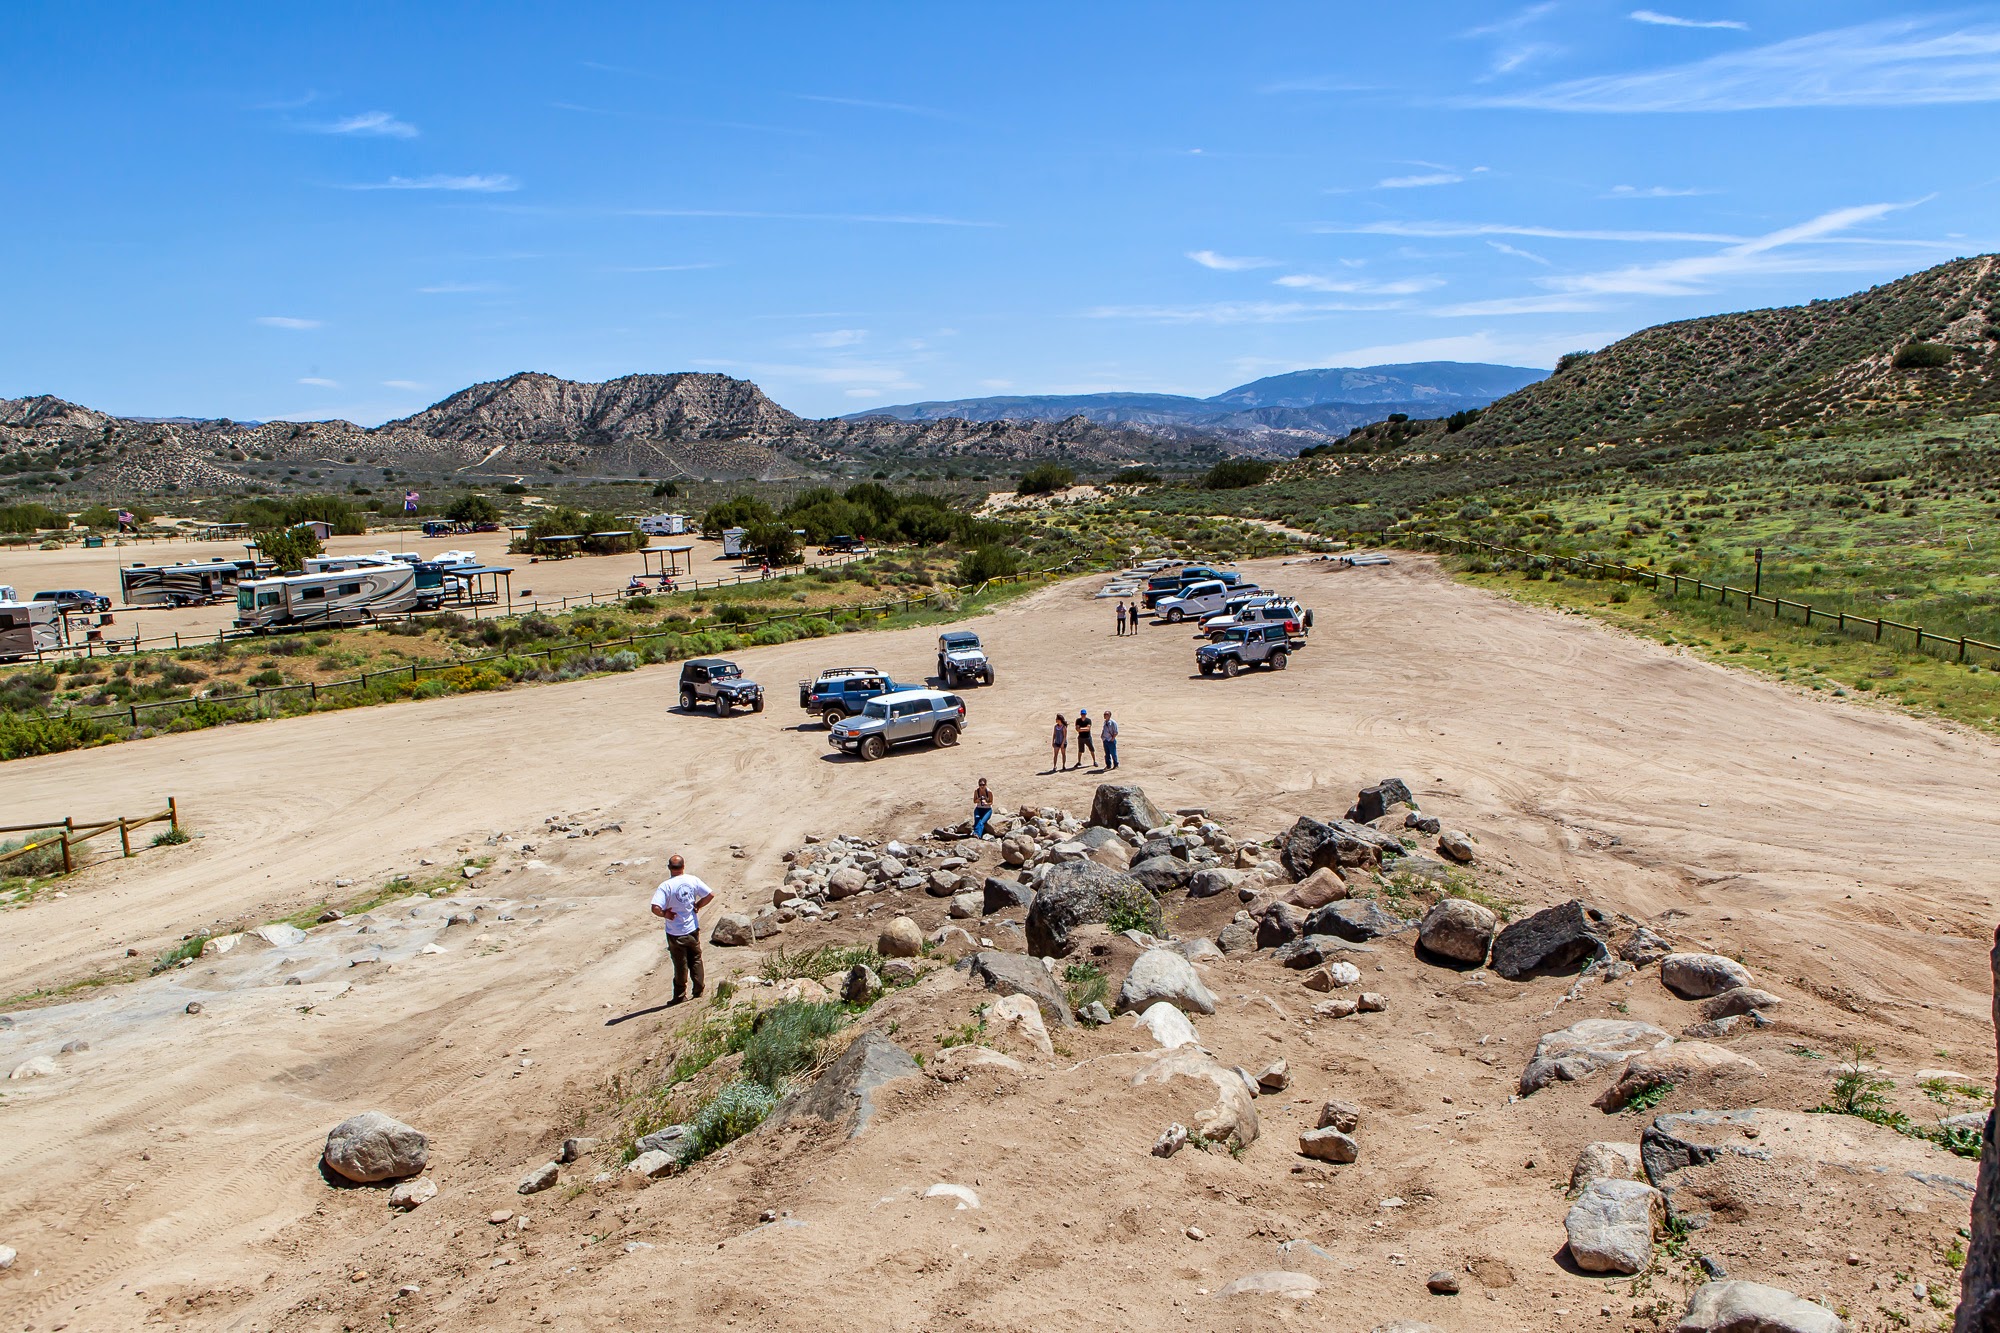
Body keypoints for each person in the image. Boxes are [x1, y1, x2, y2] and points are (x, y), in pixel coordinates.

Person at [649, 854, 714, 1004]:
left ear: (669, 868)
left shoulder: (666, 886)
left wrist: (665, 914)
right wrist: (698, 905)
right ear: (683, 866)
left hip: (675, 932)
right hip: (692, 928)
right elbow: (710, 894)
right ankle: (698, 990)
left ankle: (679, 996)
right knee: (696, 959)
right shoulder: (692, 880)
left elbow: (655, 908)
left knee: (680, 964)